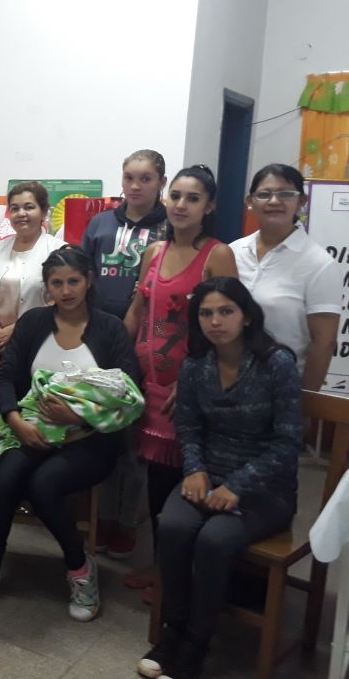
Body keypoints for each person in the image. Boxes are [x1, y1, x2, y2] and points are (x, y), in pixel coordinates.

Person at [0, 246, 140, 622]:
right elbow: (5, 375)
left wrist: (78, 414)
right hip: (32, 428)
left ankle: (80, 568)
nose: (66, 290)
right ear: (47, 287)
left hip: (90, 439)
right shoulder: (34, 322)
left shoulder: (110, 328)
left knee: (44, 485)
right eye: (57, 283)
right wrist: (15, 419)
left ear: (89, 281)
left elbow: (128, 389)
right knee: (3, 480)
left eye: (74, 281)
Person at [136, 277, 301, 679]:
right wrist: (194, 470)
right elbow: (189, 428)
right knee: (173, 527)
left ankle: (196, 645)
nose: (215, 321)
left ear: (247, 316)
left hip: (265, 489)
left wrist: (236, 487)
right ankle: (173, 632)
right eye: (206, 313)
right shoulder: (196, 365)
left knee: (213, 540)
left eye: (226, 311)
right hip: (207, 476)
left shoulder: (276, 363)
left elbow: (288, 443)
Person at [123, 165, 238, 578]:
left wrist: (190, 382)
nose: (181, 205)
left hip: (187, 389)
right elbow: (137, 311)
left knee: (183, 478)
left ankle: (179, 574)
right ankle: (160, 567)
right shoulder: (153, 252)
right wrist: (116, 364)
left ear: (209, 206)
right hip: (147, 383)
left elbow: (228, 328)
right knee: (155, 478)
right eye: (176, 196)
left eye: (193, 198)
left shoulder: (217, 255)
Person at [81, 149, 168, 560]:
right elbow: (82, 276)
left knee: (134, 439)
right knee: (101, 431)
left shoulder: (171, 226)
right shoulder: (100, 224)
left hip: (149, 345)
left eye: (146, 178)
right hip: (99, 339)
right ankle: (101, 516)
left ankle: (128, 521)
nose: (136, 186)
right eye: (130, 177)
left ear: (160, 183)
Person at [230, 163, 340, 391]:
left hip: (279, 391)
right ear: (250, 202)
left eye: (286, 194)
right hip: (225, 383)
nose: (274, 201)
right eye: (264, 194)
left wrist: (306, 401)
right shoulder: (232, 252)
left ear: (301, 202)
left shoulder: (319, 264)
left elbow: (324, 342)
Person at [0, 181, 63, 358]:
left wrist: (16, 329)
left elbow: (60, 301)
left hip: (38, 342)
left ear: (43, 212)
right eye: (15, 208)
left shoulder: (58, 251)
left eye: (29, 207)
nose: (21, 214)